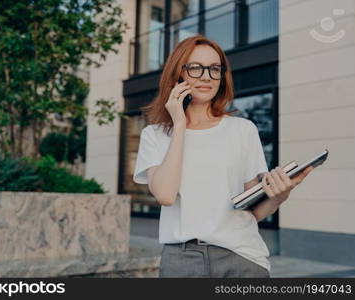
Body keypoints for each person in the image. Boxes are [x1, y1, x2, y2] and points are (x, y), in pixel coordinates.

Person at [132, 35, 313, 278]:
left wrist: (280, 195)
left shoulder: (243, 129)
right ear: (178, 74)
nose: (206, 76)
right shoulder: (154, 135)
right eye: (195, 68)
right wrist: (179, 125)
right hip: (183, 261)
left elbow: (253, 210)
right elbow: (165, 194)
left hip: (243, 258)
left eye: (214, 69)